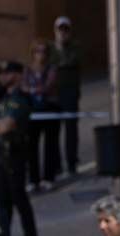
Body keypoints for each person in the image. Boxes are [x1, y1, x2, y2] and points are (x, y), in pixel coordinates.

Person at [0, 62, 39, 236]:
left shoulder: (20, 99)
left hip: (15, 151)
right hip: (2, 153)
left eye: (6, 73)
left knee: (19, 197)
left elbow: (8, 125)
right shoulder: (4, 99)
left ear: (16, 75)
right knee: (3, 200)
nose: (2, 77)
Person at [24, 40, 59, 190]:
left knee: (50, 144)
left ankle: (49, 177)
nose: (41, 54)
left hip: (50, 108)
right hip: (33, 110)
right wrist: (34, 90)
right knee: (32, 145)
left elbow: (48, 86)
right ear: (33, 53)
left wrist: (33, 89)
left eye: (44, 51)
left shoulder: (51, 68)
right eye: (38, 51)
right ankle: (34, 179)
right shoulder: (28, 70)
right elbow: (24, 86)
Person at [52, 16, 81, 176]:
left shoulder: (75, 48)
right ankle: (56, 164)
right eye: (60, 30)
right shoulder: (50, 50)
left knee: (71, 129)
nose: (62, 33)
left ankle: (72, 162)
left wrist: (62, 51)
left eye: (65, 30)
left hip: (70, 93)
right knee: (54, 130)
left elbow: (72, 61)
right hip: (55, 94)